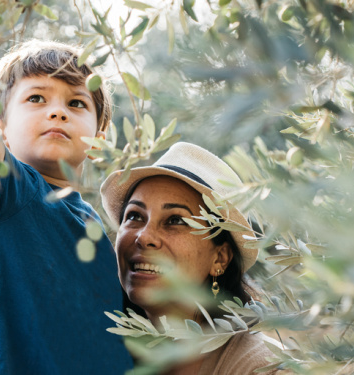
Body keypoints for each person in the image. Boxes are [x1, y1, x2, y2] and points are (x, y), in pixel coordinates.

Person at [0, 1, 132, 373]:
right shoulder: (12, 194)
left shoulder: (90, 220)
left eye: (76, 103)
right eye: (36, 98)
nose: (57, 111)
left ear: (99, 139)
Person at [100, 142, 281, 375]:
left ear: (220, 258)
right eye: (134, 215)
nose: (144, 237)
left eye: (175, 220)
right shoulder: (96, 345)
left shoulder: (261, 367)